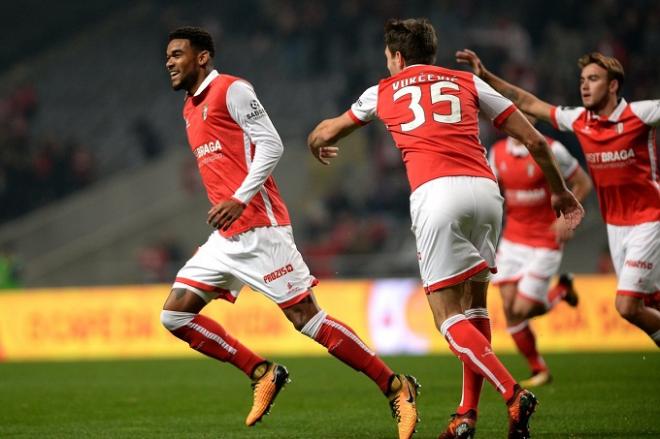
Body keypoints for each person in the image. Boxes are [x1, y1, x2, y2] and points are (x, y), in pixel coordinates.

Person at [308, 18, 584, 439]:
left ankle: (513, 392)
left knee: (445, 315)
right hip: (486, 192)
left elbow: (327, 131)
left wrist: (317, 143)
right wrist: (560, 192)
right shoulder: (467, 83)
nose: (387, 65)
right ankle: (466, 417)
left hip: (436, 194)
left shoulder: (382, 90)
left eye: (388, 58)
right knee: (475, 308)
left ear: (398, 57)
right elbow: (536, 141)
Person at [161, 26, 419, 439]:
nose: (169, 62)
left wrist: (241, 198)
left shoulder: (232, 89)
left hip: (262, 229)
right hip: (227, 239)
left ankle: (396, 386)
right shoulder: (190, 109)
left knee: (309, 321)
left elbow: (273, 144)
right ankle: (262, 372)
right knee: (174, 314)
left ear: (203, 57)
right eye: (167, 56)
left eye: (177, 54)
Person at [457, 49, 660, 347]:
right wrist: (485, 76)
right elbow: (528, 103)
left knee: (627, 306)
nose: (585, 86)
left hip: (649, 219)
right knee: (652, 301)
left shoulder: (641, 114)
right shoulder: (579, 119)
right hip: (615, 226)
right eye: (582, 80)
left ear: (613, 85)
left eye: (594, 79)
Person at [488, 124, 592, 387]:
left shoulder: (552, 148)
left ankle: (561, 291)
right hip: (513, 239)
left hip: (546, 239)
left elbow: (583, 183)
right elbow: (493, 192)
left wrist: (568, 217)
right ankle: (539, 370)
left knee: (523, 308)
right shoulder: (497, 153)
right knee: (510, 309)